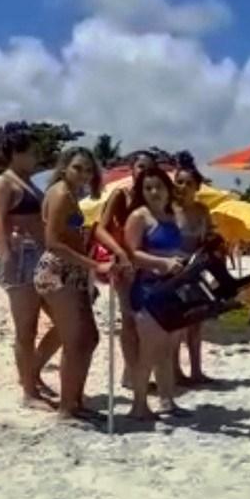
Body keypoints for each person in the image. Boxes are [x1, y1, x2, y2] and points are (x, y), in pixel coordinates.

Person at [0, 127, 62, 408]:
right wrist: (6, 253)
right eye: (31, 152)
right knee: (26, 330)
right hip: (21, 260)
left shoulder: (27, 182)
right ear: (16, 153)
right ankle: (29, 392)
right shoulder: (3, 182)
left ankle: (32, 374)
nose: (36, 157)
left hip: (41, 258)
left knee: (66, 323)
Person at [34, 148, 109, 418]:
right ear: (65, 167)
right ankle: (68, 407)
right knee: (77, 340)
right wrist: (94, 265)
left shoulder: (69, 194)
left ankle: (75, 402)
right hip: (59, 272)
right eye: (78, 168)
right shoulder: (60, 194)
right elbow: (53, 242)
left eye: (88, 170)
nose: (84, 175)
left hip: (71, 272)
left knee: (87, 338)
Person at [124, 167, 187, 420]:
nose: (153, 192)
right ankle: (139, 405)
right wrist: (162, 264)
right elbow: (132, 254)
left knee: (168, 349)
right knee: (148, 351)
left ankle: (167, 400)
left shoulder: (172, 216)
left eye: (158, 187)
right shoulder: (139, 217)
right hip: (148, 289)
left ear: (167, 188)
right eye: (147, 188)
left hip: (172, 289)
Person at [94, 151, 153, 387]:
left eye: (149, 167)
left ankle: (134, 374)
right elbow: (100, 228)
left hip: (148, 264)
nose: (144, 171)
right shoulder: (122, 195)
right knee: (129, 319)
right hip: (125, 265)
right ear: (132, 169)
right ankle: (132, 375)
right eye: (140, 166)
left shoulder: (154, 196)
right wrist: (118, 252)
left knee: (146, 321)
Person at [172, 152, 214, 385]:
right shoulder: (169, 210)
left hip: (197, 271)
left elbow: (208, 237)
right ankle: (176, 371)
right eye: (180, 182)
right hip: (173, 272)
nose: (184, 187)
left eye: (189, 183)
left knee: (196, 325)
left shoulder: (202, 210)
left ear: (197, 186)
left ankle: (196, 370)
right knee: (176, 327)